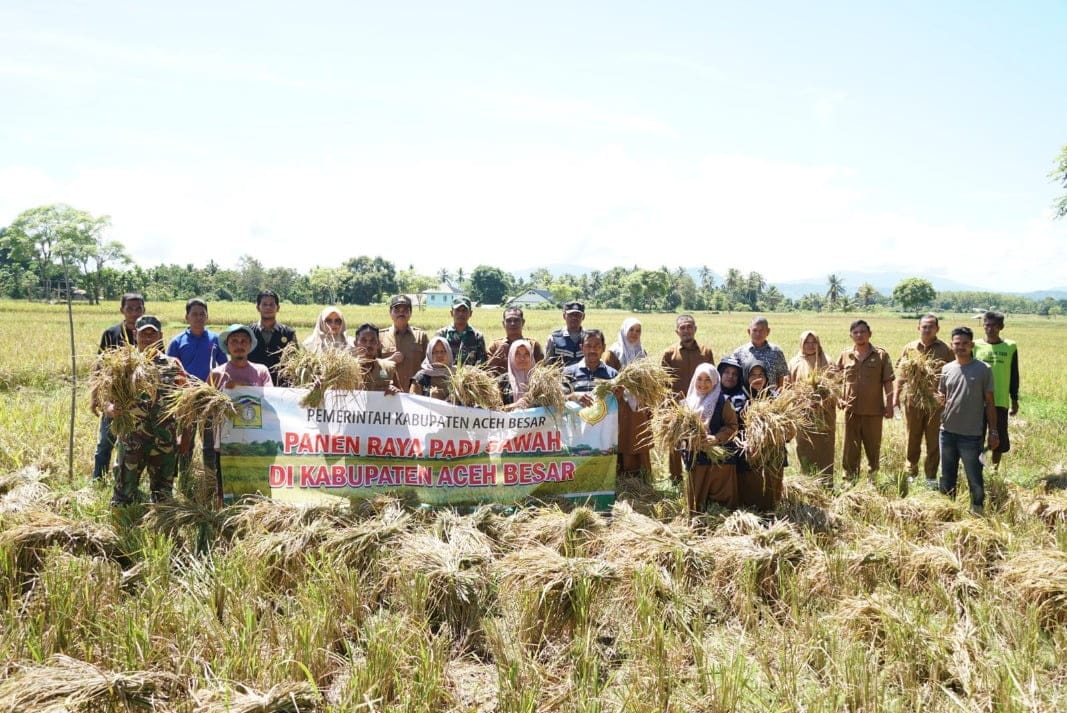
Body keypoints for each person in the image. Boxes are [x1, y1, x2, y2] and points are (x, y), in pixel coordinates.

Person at [108, 316, 187, 506]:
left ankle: (160, 530)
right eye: (144, 333)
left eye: (153, 333)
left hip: (164, 441)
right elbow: (107, 399)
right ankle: (123, 529)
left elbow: (184, 403)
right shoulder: (124, 365)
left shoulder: (173, 365)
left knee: (163, 497)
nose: (148, 338)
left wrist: (184, 436)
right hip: (131, 439)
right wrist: (111, 410)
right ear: (135, 334)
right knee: (123, 494)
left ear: (160, 336)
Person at [937, 326, 998, 514]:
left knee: (974, 477)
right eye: (957, 343)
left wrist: (994, 431)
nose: (961, 347)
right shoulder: (946, 369)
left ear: (972, 345)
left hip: (971, 435)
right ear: (951, 345)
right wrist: (936, 398)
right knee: (947, 476)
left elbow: (989, 402)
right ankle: (948, 510)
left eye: (965, 343)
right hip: (946, 432)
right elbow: (942, 395)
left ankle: (977, 510)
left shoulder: (983, 369)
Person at [210, 324, 273, 503]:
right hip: (225, 440)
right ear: (227, 345)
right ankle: (225, 521)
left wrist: (241, 388)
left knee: (255, 485)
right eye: (234, 341)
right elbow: (206, 407)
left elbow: (270, 398)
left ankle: (255, 516)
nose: (239, 345)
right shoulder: (217, 374)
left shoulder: (261, 372)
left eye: (244, 341)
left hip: (256, 439)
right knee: (225, 486)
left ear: (250, 345)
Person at [167, 298, 227, 487]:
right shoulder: (177, 342)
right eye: (195, 314)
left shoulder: (215, 340)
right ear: (187, 317)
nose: (199, 317)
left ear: (207, 317)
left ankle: (210, 482)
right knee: (186, 443)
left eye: (202, 314)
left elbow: (225, 367)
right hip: (185, 400)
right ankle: (185, 481)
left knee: (209, 445)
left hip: (208, 400)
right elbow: (169, 371)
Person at [893, 314, 954, 485]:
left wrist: (947, 397)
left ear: (937, 329)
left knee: (933, 440)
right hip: (913, 401)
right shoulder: (910, 348)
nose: (927, 329)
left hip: (936, 404)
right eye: (924, 326)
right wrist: (895, 398)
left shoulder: (946, 349)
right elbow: (902, 374)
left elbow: (953, 374)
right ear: (918, 327)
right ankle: (911, 472)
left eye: (931, 326)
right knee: (912, 438)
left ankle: (931, 477)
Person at [91, 292, 145, 482]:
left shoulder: (148, 333)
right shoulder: (111, 333)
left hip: (139, 399)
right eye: (130, 308)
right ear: (122, 310)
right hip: (113, 398)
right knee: (106, 441)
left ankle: (125, 481)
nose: (134, 313)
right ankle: (98, 481)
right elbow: (99, 367)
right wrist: (96, 397)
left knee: (133, 443)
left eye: (138, 308)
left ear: (144, 310)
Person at [836, 319, 894, 482]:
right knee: (850, 447)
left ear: (869, 334)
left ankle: (872, 477)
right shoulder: (845, 355)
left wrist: (890, 406)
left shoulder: (881, 355)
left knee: (873, 446)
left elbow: (888, 382)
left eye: (863, 332)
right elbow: (835, 380)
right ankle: (849, 478)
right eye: (856, 332)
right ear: (851, 335)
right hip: (851, 410)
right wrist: (839, 398)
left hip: (874, 411)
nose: (859, 335)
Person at [660, 314, 716, 481]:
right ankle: (675, 478)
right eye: (682, 327)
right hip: (677, 406)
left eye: (689, 327)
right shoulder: (669, 353)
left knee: (698, 439)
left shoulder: (705, 352)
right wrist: (665, 407)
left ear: (695, 329)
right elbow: (663, 382)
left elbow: (713, 378)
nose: (686, 330)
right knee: (675, 443)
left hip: (700, 405)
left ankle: (697, 475)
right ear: (677, 331)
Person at [682, 363, 739, 513]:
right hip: (696, 457)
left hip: (720, 460)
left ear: (715, 380)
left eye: (708, 379)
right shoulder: (688, 403)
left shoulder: (723, 402)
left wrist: (717, 438)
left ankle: (722, 520)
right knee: (698, 498)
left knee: (720, 498)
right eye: (699, 379)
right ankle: (699, 522)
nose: (703, 384)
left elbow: (732, 426)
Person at [736, 361, 787, 511]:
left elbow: (787, 426)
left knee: (772, 485)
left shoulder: (776, 398)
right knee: (753, 486)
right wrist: (747, 443)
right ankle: (753, 512)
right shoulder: (740, 398)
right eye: (753, 375)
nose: (757, 379)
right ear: (746, 376)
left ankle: (772, 511)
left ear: (766, 377)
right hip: (750, 450)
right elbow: (735, 427)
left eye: (761, 375)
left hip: (773, 450)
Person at [605, 317, 652, 476]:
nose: (634, 333)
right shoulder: (614, 352)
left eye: (638, 330)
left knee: (640, 437)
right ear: (624, 330)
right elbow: (609, 378)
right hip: (621, 404)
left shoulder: (642, 352)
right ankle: (623, 477)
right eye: (631, 330)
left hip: (640, 404)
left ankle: (642, 476)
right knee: (623, 438)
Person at [973, 310, 1020, 471]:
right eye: (987, 325)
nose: (990, 329)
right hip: (977, 400)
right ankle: (976, 468)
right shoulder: (975, 345)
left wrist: (1014, 399)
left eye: (994, 326)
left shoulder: (1010, 347)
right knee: (976, 437)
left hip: (1000, 399)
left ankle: (994, 469)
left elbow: (1014, 374)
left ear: (1001, 327)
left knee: (998, 437)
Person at [788, 330, 836, 485]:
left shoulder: (827, 361)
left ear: (818, 343)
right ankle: (806, 482)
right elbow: (789, 388)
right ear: (801, 344)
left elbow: (835, 386)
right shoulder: (794, 362)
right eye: (806, 342)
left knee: (825, 447)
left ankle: (826, 483)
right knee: (804, 445)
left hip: (825, 413)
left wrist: (822, 400)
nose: (810, 346)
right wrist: (804, 401)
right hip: (803, 413)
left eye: (813, 342)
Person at [247, 289, 297, 387]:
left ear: (278, 308)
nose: (268, 307)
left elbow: (295, 361)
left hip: (281, 388)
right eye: (264, 304)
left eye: (271, 304)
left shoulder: (288, 333)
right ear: (258, 307)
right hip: (253, 387)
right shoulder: (248, 332)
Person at [380, 294, 429, 389]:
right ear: (390, 312)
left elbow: (428, 365)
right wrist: (390, 360)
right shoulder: (380, 337)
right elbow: (373, 365)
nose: (401, 313)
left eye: (405, 310)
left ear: (410, 313)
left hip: (415, 393)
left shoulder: (421, 336)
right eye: (397, 310)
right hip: (388, 393)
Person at [731, 315, 789, 390]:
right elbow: (733, 376)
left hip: (771, 399)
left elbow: (780, 378)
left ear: (768, 331)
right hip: (746, 398)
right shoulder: (738, 353)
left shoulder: (777, 352)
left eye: (761, 330)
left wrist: (778, 398)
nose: (758, 334)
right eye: (755, 330)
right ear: (749, 331)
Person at [563, 329, 618, 406]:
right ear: (581, 347)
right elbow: (559, 399)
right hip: (576, 417)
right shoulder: (568, 373)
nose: (592, 350)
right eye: (588, 346)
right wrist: (574, 396)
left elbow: (620, 402)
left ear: (603, 348)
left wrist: (619, 396)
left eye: (597, 346)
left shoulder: (613, 375)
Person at [486, 307, 544, 376]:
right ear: (503, 324)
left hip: (527, 385)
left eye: (516, 320)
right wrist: (497, 357)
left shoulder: (533, 345)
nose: (512, 324)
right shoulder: (495, 345)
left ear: (523, 322)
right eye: (508, 320)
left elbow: (541, 370)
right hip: (499, 385)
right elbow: (486, 371)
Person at [436, 297, 487, 365]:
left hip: (470, 375)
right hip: (445, 374)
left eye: (464, 310)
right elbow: (435, 360)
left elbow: (482, 363)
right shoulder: (441, 335)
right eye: (457, 310)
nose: (461, 314)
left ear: (470, 313)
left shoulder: (477, 336)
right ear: (451, 313)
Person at [353, 323, 402, 394]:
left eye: (372, 340)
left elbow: (402, 396)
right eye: (363, 340)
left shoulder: (388, 368)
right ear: (355, 343)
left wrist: (394, 390)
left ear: (378, 343)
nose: (368, 345)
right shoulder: (347, 369)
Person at [544, 301, 588, 367]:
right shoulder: (554, 338)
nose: (574, 318)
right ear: (564, 316)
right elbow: (547, 364)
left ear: (583, 317)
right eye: (571, 314)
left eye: (578, 315)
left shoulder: (589, 337)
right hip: (560, 377)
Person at [410, 336, 453, 400]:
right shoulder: (421, 377)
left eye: (443, 351)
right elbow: (413, 401)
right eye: (435, 352)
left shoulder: (456, 376)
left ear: (449, 353)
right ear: (429, 354)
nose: (439, 355)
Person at [499, 339, 536, 410]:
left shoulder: (540, 381)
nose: (522, 358)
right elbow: (492, 409)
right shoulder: (502, 381)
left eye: (526, 354)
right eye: (517, 354)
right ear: (511, 356)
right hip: (508, 421)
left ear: (531, 357)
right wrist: (514, 406)